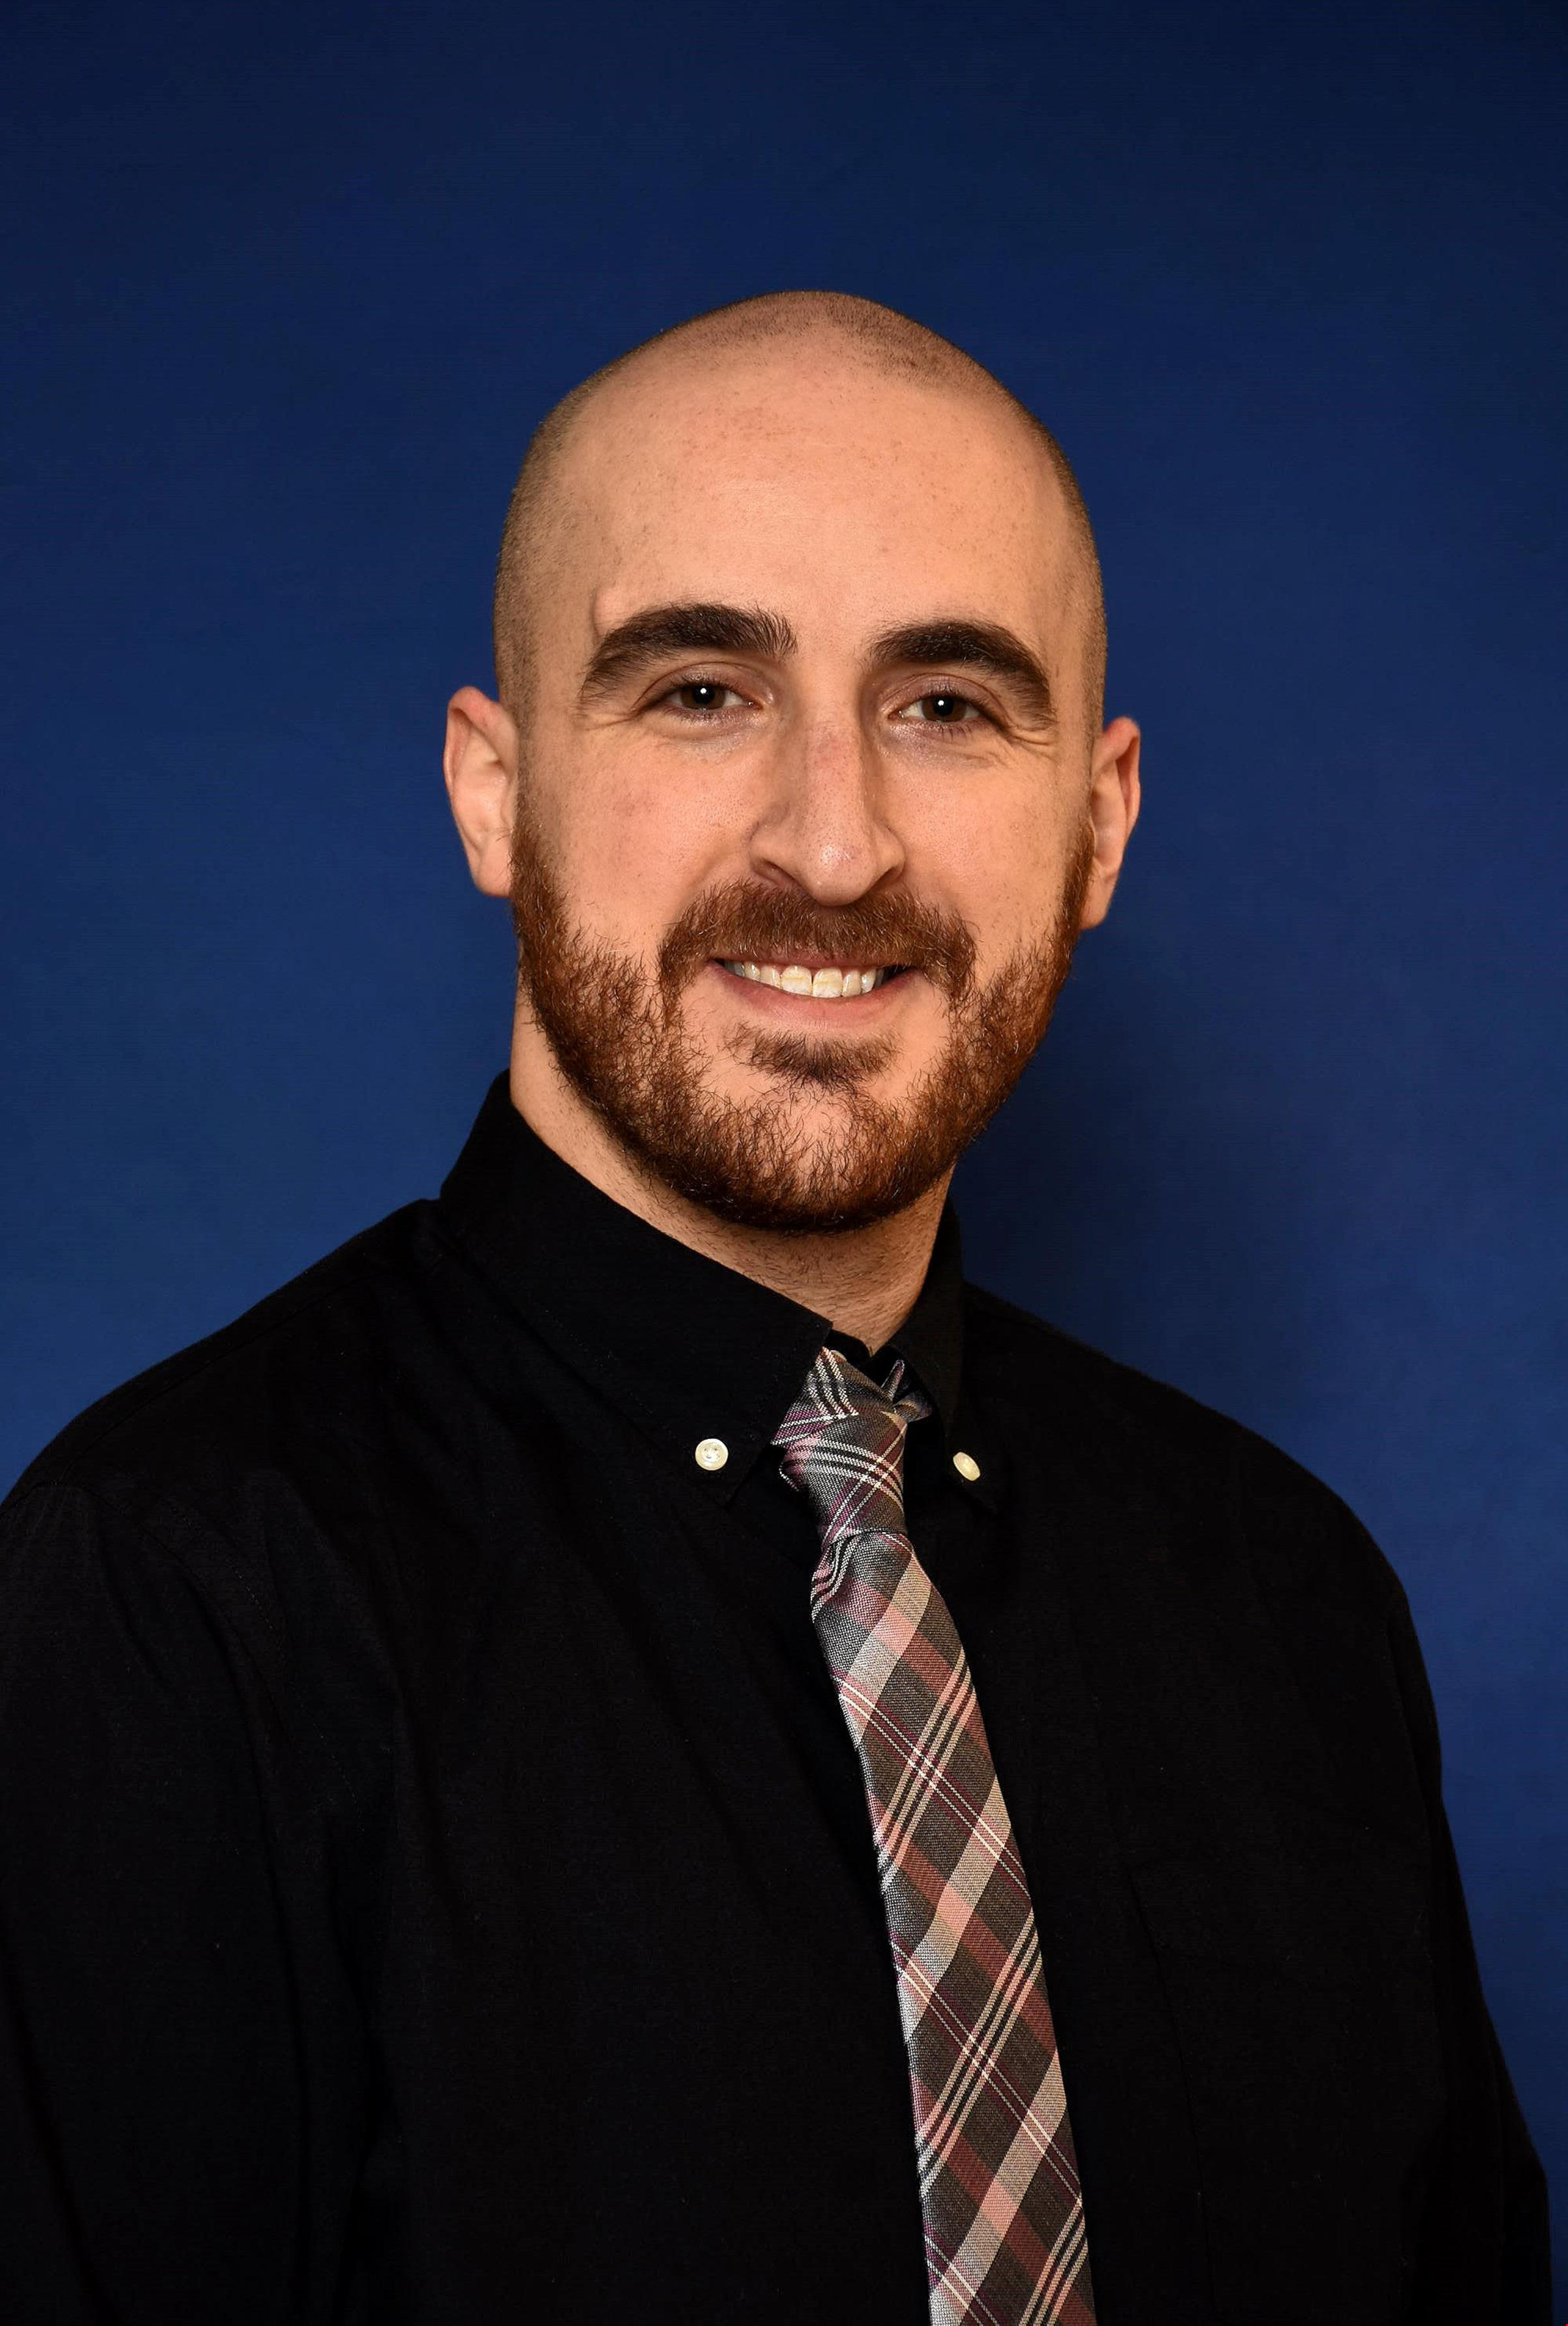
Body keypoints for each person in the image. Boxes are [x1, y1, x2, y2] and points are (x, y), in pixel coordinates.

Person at [0, 291, 1548, 2326]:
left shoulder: (1285, 1600)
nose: (832, 843)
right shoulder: (160, 1604)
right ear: (493, 789)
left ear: (1097, 821)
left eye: (946, 707)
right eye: (701, 690)